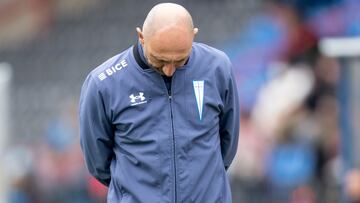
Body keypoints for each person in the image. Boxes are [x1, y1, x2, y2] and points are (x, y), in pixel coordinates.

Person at [79, 3, 240, 203]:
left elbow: (228, 143)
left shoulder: (218, 68)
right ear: (141, 37)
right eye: (159, 59)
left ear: (193, 35)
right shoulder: (103, 83)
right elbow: (97, 162)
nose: (169, 70)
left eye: (180, 60)